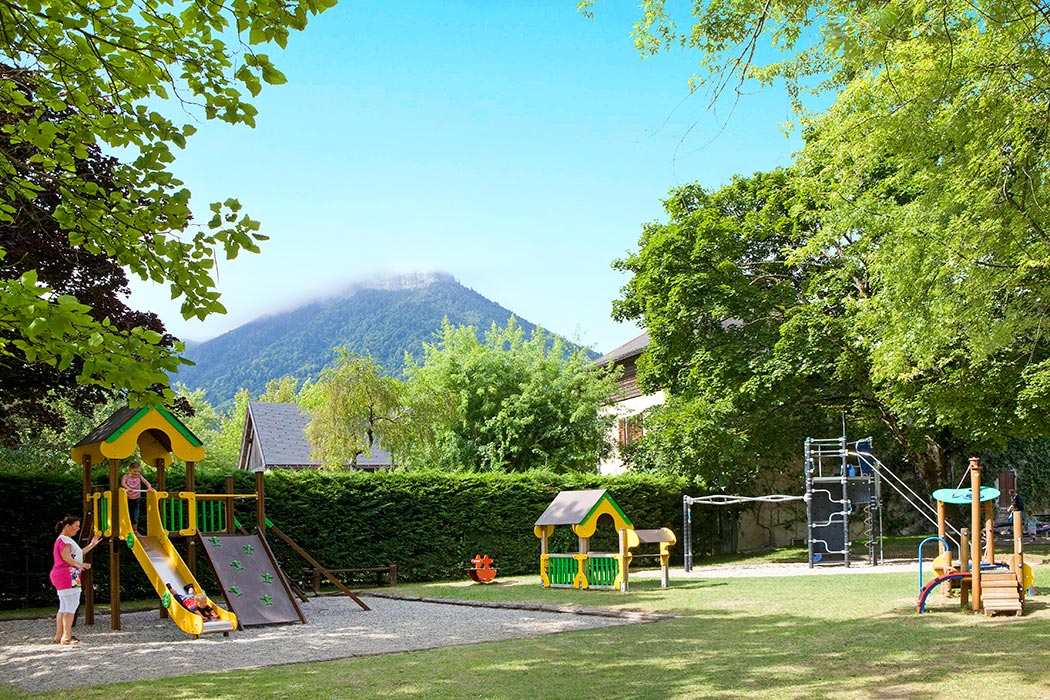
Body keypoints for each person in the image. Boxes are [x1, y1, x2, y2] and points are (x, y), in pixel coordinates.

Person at [49, 515, 101, 644]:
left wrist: (92, 545)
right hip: (68, 575)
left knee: (64, 606)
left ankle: (59, 636)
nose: (78, 529)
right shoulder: (65, 541)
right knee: (71, 606)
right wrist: (80, 565)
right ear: (67, 526)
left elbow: (78, 554)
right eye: (76, 526)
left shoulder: (64, 540)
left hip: (62, 575)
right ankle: (66, 637)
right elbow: (66, 557)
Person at [121, 461, 154, 535]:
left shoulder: (139, 476)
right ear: (130, 470)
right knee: (128, 514)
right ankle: (128, 529)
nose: (136, 473)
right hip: (127, 499)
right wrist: (128, 488)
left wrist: (149, 487)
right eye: (135, 471)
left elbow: (146, 482)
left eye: (138, 471)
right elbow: (123, 483)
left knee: (135, 515)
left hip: (136, 499)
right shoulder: (126, 476)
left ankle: (135, 530)